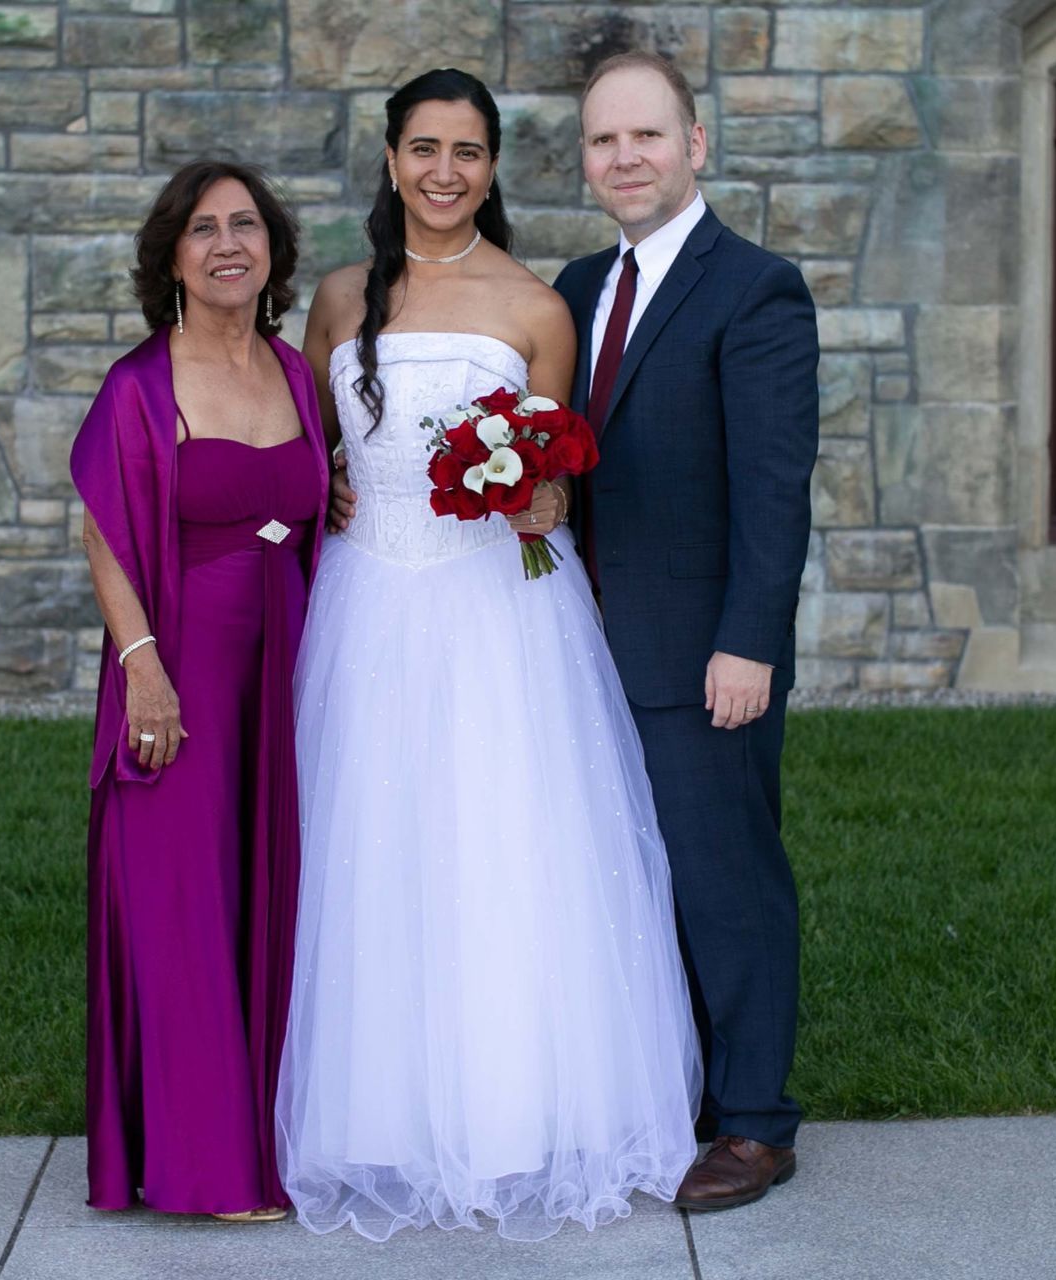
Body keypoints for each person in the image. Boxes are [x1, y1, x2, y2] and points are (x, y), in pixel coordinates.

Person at [277, 68, 701, 1241]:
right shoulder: (342, 296)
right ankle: (380, 1117)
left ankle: (513, 1112)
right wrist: (324, 487)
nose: (444, 172)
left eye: (468, 151)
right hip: (370, 606)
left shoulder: (535, 308)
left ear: (496, 165)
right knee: (375, 848)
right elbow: (316, 453)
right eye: (424, 148)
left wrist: (539, 500)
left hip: (499, 616)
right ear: (392, 156)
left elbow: (554, 473)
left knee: (502, 846)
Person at [552, 50, 819, 1210]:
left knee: (724, 878)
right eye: (606, 141)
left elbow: (775, 487)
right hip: (583, 646)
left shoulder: (754, 287)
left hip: (704, 650)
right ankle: (680, 1088)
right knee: (627, 880)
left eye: (647, 136)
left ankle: (756, 1120)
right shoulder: (573, 288)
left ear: (695, 145)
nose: (627, 158)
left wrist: (748, 641)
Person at [71, 159, 329, 1221]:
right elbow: (106, 532)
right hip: (182, 667)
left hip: (291, 661)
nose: (230, 243)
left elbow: (321, 509)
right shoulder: (141, 383)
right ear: (170, 254)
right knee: (182, 905)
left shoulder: (292, 371)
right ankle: (204, 1166)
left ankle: (275, 1137)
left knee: (272, 895)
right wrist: (143, 671)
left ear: (272, 249)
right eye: (205, 228)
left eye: (248, 225)